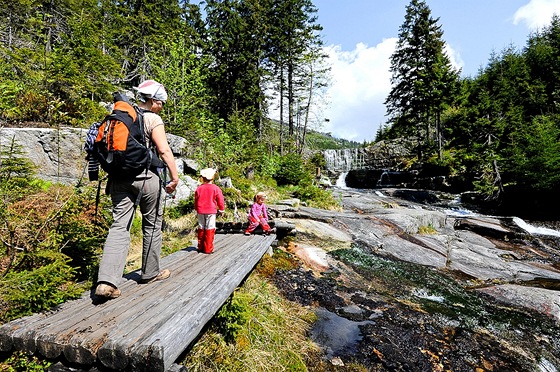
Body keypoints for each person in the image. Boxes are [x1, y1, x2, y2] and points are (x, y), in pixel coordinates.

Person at [95, 79, 179, 299]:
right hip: (146, 178)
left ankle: (106, 282)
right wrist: (175, 177)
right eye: (160, 102)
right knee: (152, 225)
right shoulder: (152, 118)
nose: (161, 106)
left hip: (118, 178)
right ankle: (150, 273)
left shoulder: (123, 116)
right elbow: (164, 150)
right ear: (152, 101)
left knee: (119, 226)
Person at [194, 168, 225, 254]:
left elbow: (196, 200)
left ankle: (200, 246)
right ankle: (208, 248)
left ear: (203, 178)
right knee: (210, 228)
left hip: (200, 210)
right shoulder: (216, 188)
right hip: (211, 211)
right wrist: (222, 209)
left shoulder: (199, 188)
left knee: (201, 227)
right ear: (212, 178)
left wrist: (196, 208)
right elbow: (220, 200)